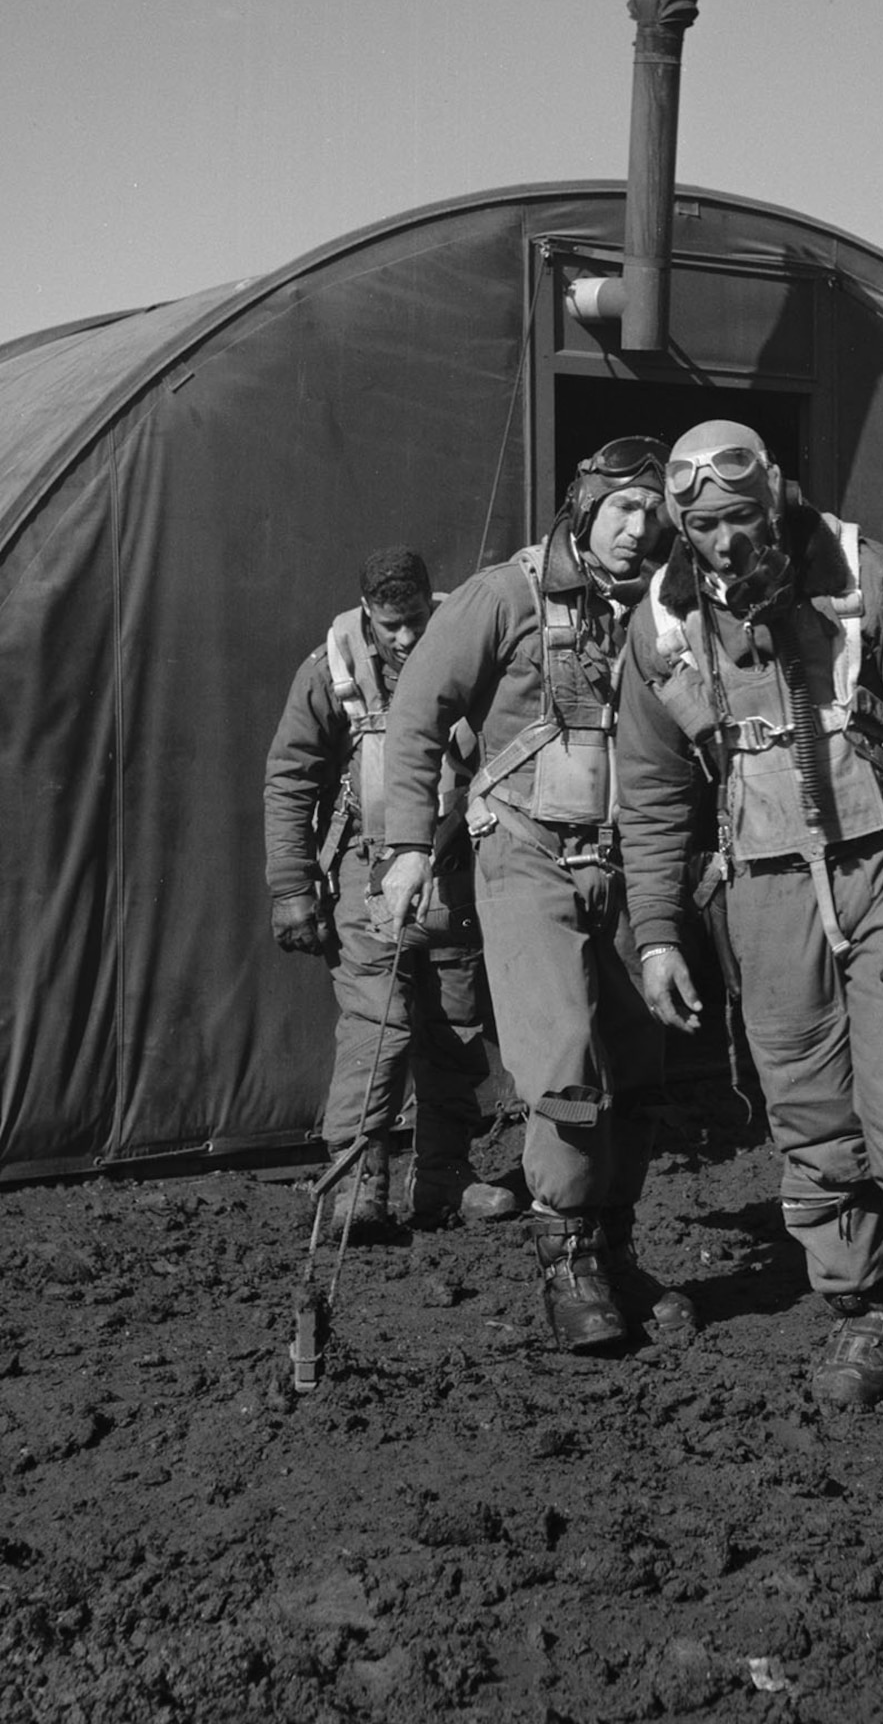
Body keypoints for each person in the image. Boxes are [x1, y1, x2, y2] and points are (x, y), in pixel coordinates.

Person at [620, 420, 883, 1425]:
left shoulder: (862, 578)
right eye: (704, 524)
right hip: (762, 885)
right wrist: (659, 930)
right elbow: (651, 790)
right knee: (807, 1110)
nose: (724, 542)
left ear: (775, 500)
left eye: (741, 517)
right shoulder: (663, 628)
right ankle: (861, 1304)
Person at [375, 439, 695, 1352]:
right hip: (524, 852)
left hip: (637, 863)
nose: (640, 531)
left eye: (653, 513)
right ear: (581, 507)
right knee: (563, 1060)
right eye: (621, 510)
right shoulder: (502, 595)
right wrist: (404, 848)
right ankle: (568, 1264)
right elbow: (416, 714)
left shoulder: (673, 607)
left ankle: (616, 1252)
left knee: (636, 1066)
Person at [263, 546, 517, 1234]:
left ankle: (445, 1178)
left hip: (455, 867)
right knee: (378, 1028)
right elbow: (290, 777)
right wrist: (292, 887)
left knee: (455, 1029)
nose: (405, 639)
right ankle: (354, 1184)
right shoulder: (328, 673)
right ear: (367, 617)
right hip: (364, 872)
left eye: (414, 622)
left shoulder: (474, 651)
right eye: (389, 626)